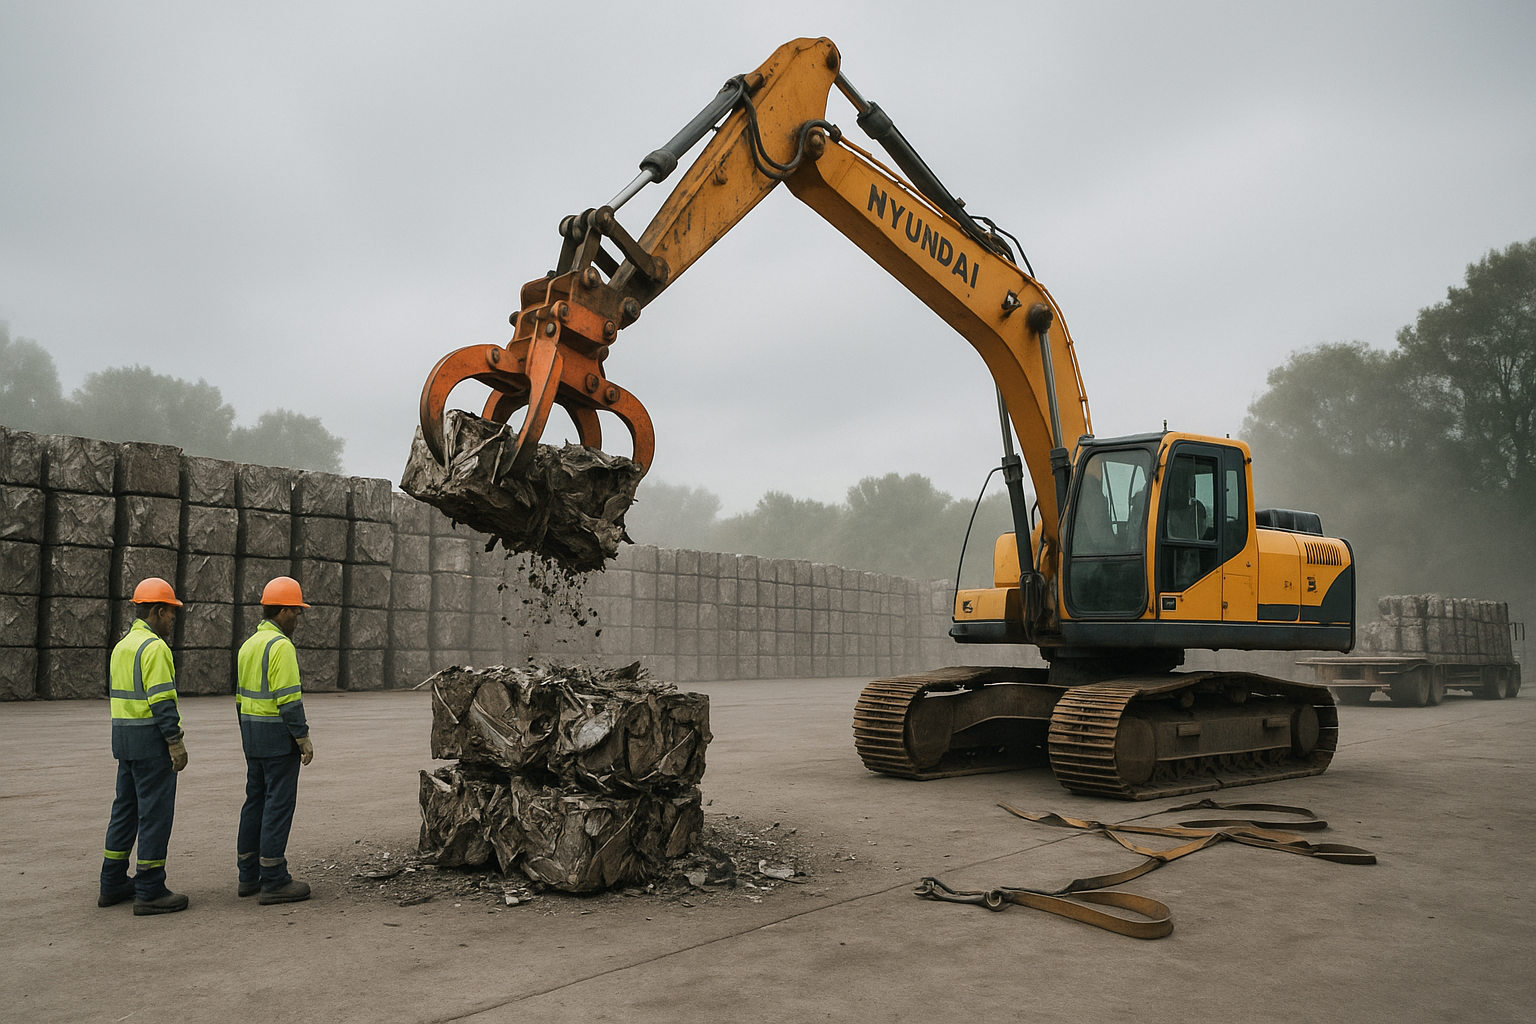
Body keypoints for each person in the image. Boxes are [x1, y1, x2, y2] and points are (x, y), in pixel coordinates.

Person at [100, 577, 190, 915]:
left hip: (125, 742)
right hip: (152, 745)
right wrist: (176, 743)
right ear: (158, 610)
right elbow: (162, 702)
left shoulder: (122, 646)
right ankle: (150, 889)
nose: (172, 621)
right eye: (170, 615)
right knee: (155, 815)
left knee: (124, 812)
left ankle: (111, 882)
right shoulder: (154, 648)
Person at [235, 576, 315, 905]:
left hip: (252, 736)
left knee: (255, 802)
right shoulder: (280, 646)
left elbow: (240, 698)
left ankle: (248, 874)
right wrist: (303, 738)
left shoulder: (249, 645)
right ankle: (274, 878)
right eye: (295, 612)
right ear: (282, 611)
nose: (297, 619)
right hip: (278, 739)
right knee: (278, 806)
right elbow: (289, 700)